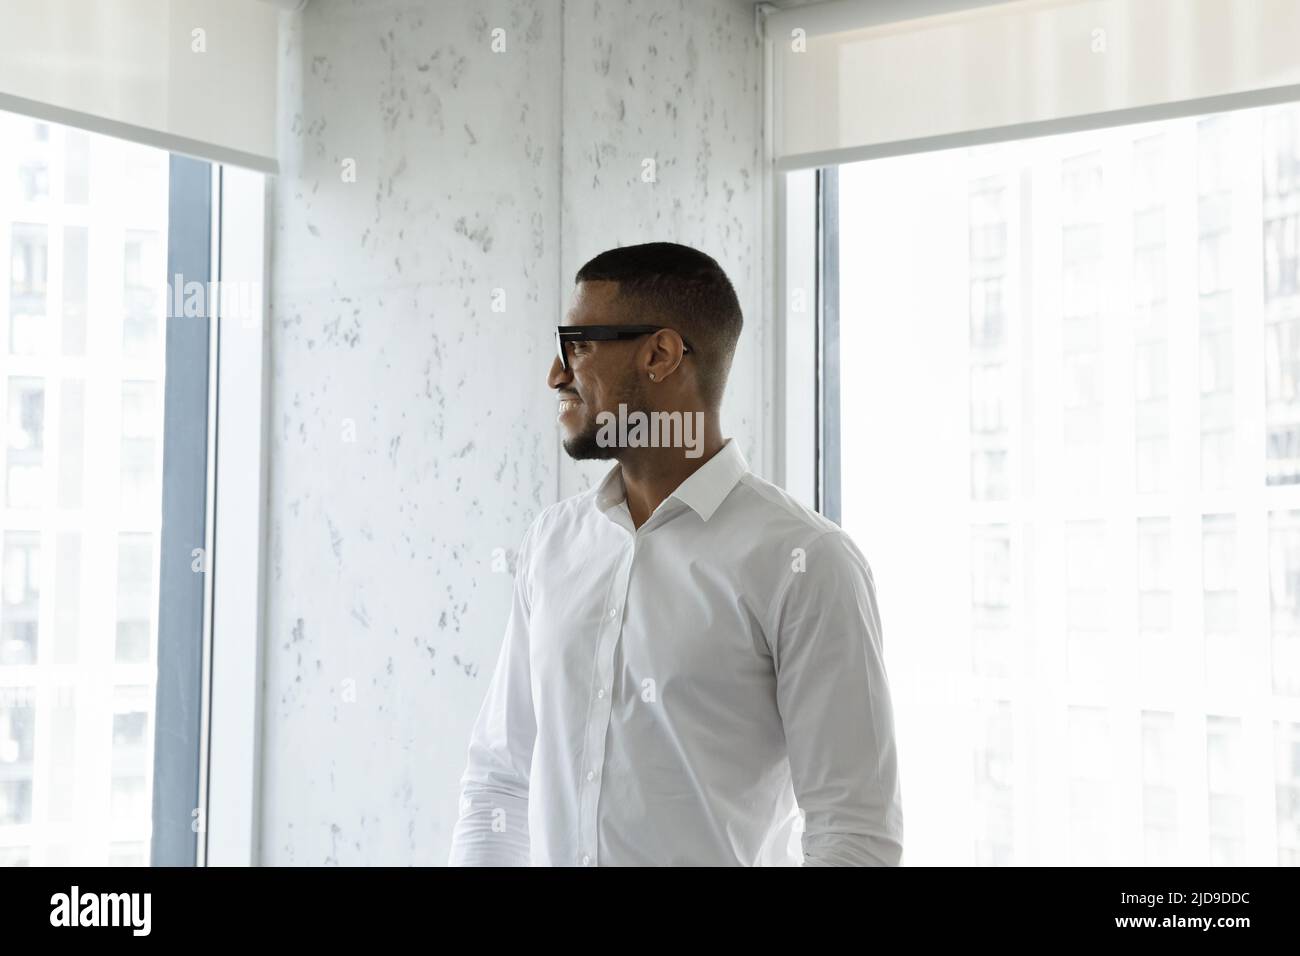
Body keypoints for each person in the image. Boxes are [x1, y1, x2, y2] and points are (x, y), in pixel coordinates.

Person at [448, 241, 902, 866]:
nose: (557, 374)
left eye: (577, 344)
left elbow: (853, 834)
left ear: (659, 354)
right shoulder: (553, 544)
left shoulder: (807, 563)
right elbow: (499, 779)